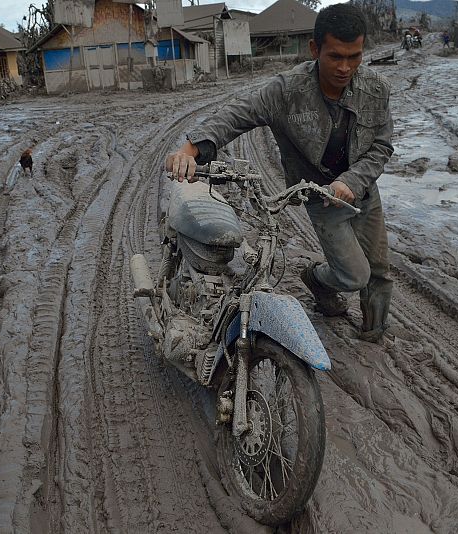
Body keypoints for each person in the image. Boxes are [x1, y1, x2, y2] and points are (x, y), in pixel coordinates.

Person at [165, 3, 395, 343]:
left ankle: (374, 333)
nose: (345, 67)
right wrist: (192, 149)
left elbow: (381, 146)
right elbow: (236, 115)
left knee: (379, 271)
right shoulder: (286, 91)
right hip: (321, 195)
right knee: (355, 275)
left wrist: (352, 180)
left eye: (355, 56)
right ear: (315, 50)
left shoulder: (376, 89)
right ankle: (318, 279)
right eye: (335, 57)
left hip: (362, 192)